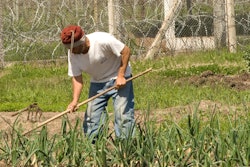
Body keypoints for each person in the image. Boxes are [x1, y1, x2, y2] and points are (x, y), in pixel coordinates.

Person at [60, 25, 135, 140]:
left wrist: (121, 75)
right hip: (97, 82)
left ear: (82, 41)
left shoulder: (102, 40)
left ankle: (125, 148)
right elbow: (77, 78)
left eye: (74, 48)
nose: (71, 51)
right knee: (92, 117)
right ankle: (94, 149)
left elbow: (126, 51)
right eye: (69, 49)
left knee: (122, 115)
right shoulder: (73, 54)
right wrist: (75, 101)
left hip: (119, 78)